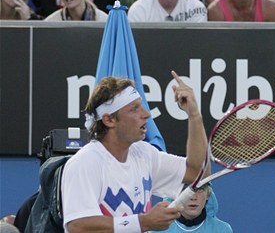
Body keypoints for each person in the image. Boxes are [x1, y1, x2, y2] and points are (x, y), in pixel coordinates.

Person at [61, 71, 208, 231]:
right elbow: (78, 226)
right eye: (134, 109)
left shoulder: (145, 154)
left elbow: (198, 173)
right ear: (109, 120)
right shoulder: (85, 162)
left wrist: (194, 115)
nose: (146, 114)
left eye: (142, 106)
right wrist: (143, 222)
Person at [160, 183, 233, 233]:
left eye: (200, 189)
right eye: (186, 190)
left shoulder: (222, 230)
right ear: (175, 194)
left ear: (208, 195)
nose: (193, 197)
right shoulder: (156, 229)